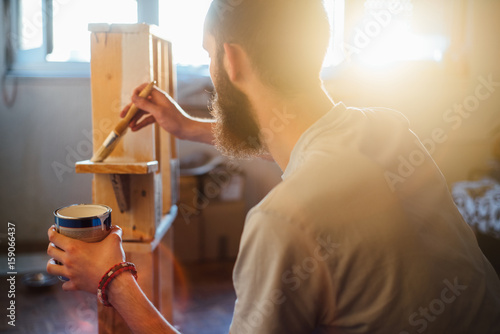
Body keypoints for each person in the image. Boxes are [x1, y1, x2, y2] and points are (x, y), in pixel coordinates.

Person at [47, 0, 500, 333]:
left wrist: (113, 280)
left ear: (232, 59)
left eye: (209, 55)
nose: (210, 67)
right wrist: (186, 127)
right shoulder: (389, 129)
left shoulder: (281, 222)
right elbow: (303, 147)